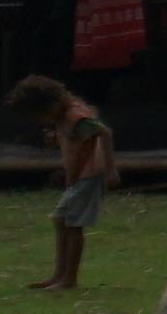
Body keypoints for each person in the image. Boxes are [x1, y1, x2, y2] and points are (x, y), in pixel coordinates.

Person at [8, 73, 115, 292]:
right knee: (60, 220)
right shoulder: (63, 116)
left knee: (73, 224)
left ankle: (69, 279)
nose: (42, 120)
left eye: (42, 114)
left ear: (52, 103)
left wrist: (109, 170)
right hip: (78, 176)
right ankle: (59, 275)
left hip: (88, 175)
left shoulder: (76, 117)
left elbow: (103, 134)